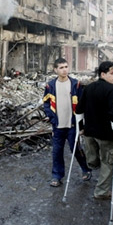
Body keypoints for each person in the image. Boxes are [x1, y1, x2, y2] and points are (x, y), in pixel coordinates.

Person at [43, 57, 92, 187]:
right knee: (57, 152)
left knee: (76, 149)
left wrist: (81, 125)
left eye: (66, 67)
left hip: (72, 125)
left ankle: (86, 169)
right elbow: (46, 103)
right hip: (58, 125)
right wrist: (52, 118)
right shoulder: (50, 85)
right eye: (61, 68)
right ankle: (57, 176)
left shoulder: (76, 84)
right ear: (55, 70)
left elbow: (82, 104)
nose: (64, 70)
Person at [76, 61, 113, 199]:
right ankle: (101, 192)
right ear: (102, 74)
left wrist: (81, 128)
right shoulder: (112, 89)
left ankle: (93, 164)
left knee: (96, 160)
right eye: (112, 73)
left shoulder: (88, 88)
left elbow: (78, 109)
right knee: (108, 162)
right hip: (106, 134)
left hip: (89, 132)